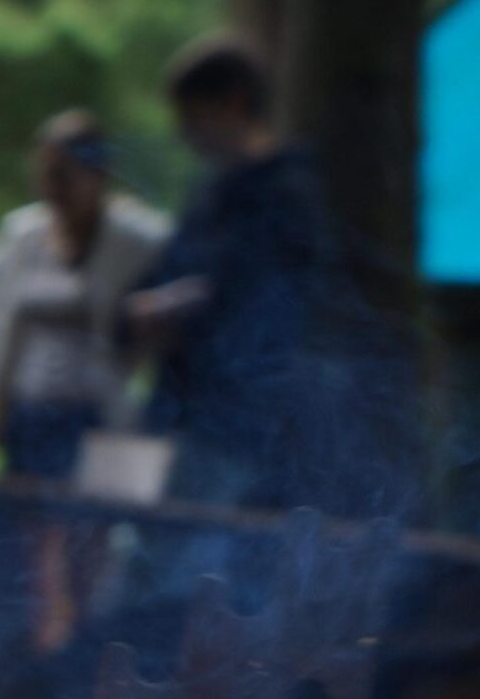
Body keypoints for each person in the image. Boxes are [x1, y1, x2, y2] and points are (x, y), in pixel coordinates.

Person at [126, 35, 416, 517]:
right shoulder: (209, 194)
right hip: (183, 417)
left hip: (244, 430)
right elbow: (157, 278)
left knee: (195, 567)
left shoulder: (288, 194)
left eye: (192, 114)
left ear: (233, 101)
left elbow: (263, 304)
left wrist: (188, 307)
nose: (184, 133)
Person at [0, 111, 170, 479]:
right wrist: (6, 342)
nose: (51, 189)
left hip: (97, 417)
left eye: (63, 176)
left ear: (97, 175)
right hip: (27, 412)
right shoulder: (24, 233)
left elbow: (168, 300)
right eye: (45, 175)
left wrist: (135, 346)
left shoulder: (136, 239)